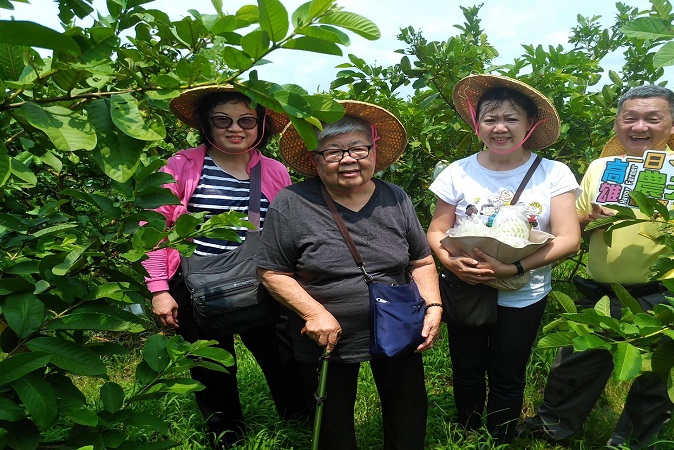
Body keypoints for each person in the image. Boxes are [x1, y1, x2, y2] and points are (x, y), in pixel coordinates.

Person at [529, 85, 674, 449]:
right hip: (602, 292)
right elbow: (572, 224)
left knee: (657, 377)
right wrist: (588, 216)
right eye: (630, 118)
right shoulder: (600, 168)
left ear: (673, 124)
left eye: (652, 118)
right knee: (576, 365)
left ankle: (632, 443)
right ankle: (552, 430)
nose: (639, 126)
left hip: (670, 294)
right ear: (617, 123)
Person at [257, 100, 442, 450]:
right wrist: (314, 313)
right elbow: (272, 270)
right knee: (332, 425)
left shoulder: (395, 198)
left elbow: (420, 260)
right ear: (315, 160)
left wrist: (433, 306)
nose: (348, 159)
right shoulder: (292, 203)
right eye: (333, 152)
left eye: (358, 148)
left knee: (408, 415)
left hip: (398, 323)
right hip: (327, 336)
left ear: (372, 152)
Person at [143, 85, 307, 447]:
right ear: (207, 124)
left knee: (285, 359)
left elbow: (288, 228)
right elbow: (153, 230)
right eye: (223, 120)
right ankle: (227, 436)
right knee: (212, 366)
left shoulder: (274, 170)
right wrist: (159, 290)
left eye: (246, 120)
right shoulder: (180, 166)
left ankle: (300, 425)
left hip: (264, 281)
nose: (236, 128)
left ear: (260, 126)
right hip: (197, 282)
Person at [426, 74, 582, 443]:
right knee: (466, 367)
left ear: (530, 125)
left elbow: (570, 238)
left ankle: (500, 436)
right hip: (466, 287)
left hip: (523, 292)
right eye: (490, 119)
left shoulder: (554, 173)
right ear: (476, 123)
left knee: (508, 371)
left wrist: (513, 268)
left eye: (511, 119)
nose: (500, 128)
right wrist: (451, 262)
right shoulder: (458, 171)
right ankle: (465, 433)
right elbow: (436, 230)